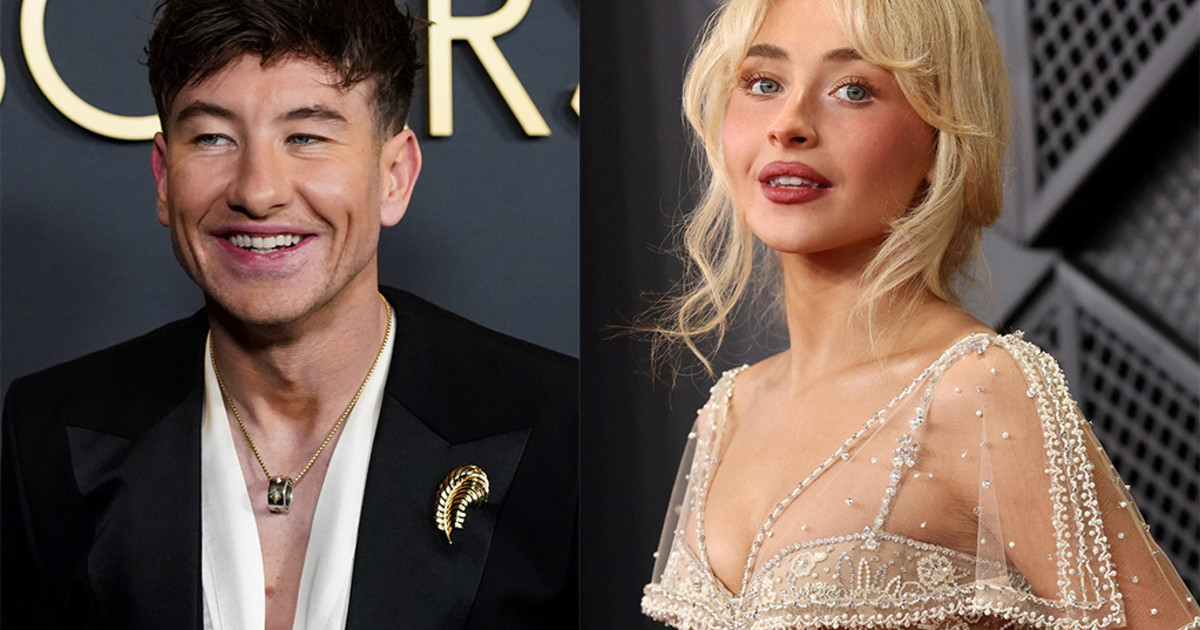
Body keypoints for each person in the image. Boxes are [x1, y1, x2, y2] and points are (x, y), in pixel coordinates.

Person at [1, 1, 576, 628]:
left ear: (393, 176)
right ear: (164, 178)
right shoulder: (49, 432)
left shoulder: (565, 428)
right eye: (213, 138)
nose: (257, 191)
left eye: (306, 137)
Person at [638, 0, 1199, 628]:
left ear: (940, 138)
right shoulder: (730, 408)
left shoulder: (978, 388)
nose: (789, 124)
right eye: (763, 83)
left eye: (854, 90)